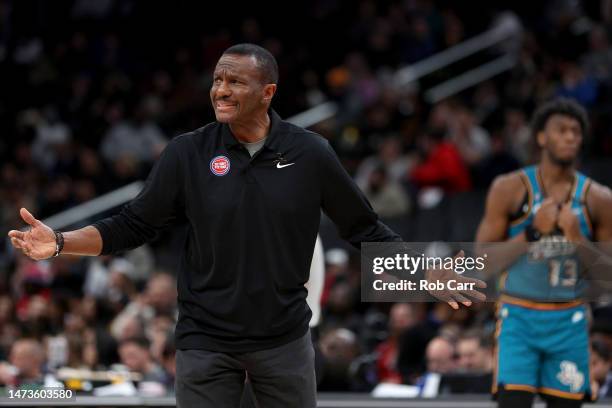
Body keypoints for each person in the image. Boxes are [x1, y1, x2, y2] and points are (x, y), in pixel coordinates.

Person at [8, 43, 480, 407]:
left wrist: (422, 269)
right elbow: (133, 225)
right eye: (217, 80)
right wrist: (60, 244)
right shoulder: (188, 152)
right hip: (205, 341)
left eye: (235, 81)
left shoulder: (310, 153)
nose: (221, 90)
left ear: (268, 92)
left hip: (284, 341)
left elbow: (365, 228)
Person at [476, 98, 612, 408]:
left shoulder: (600, 198)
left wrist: (578, 239)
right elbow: (481, 262)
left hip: (570, 320)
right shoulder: (509, 188)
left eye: (576, 132)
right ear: (541, 137)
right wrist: (532, 232)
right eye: (561, 130)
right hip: (518, 317)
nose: (570, 137)